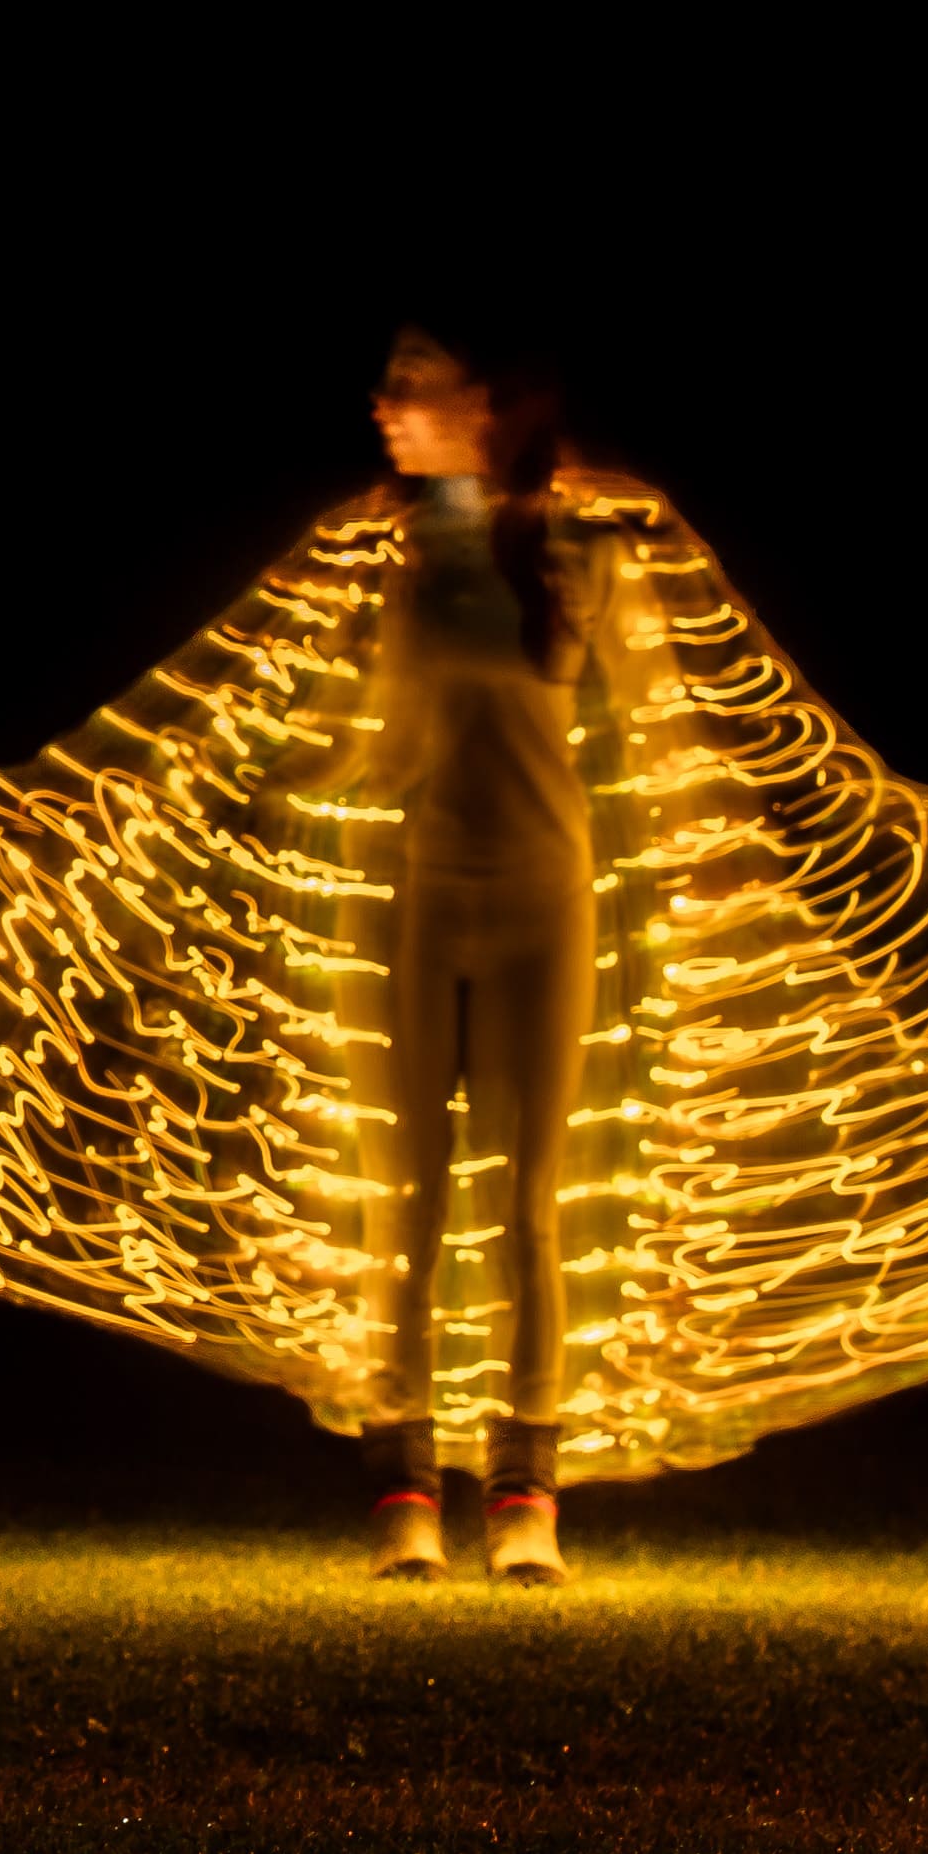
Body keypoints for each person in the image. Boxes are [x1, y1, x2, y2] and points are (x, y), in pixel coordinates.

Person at [352, 331, 622, 1586]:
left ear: (482, 403)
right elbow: (387, 734)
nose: (384, 405)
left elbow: (622, 698)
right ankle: (405, 1490)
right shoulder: (399, 553)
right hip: (429, 894)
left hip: (544, 894)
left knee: (530, 1207)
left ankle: (526, 1497)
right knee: (409, 1203)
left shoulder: (580, 545)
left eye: (413, 384)